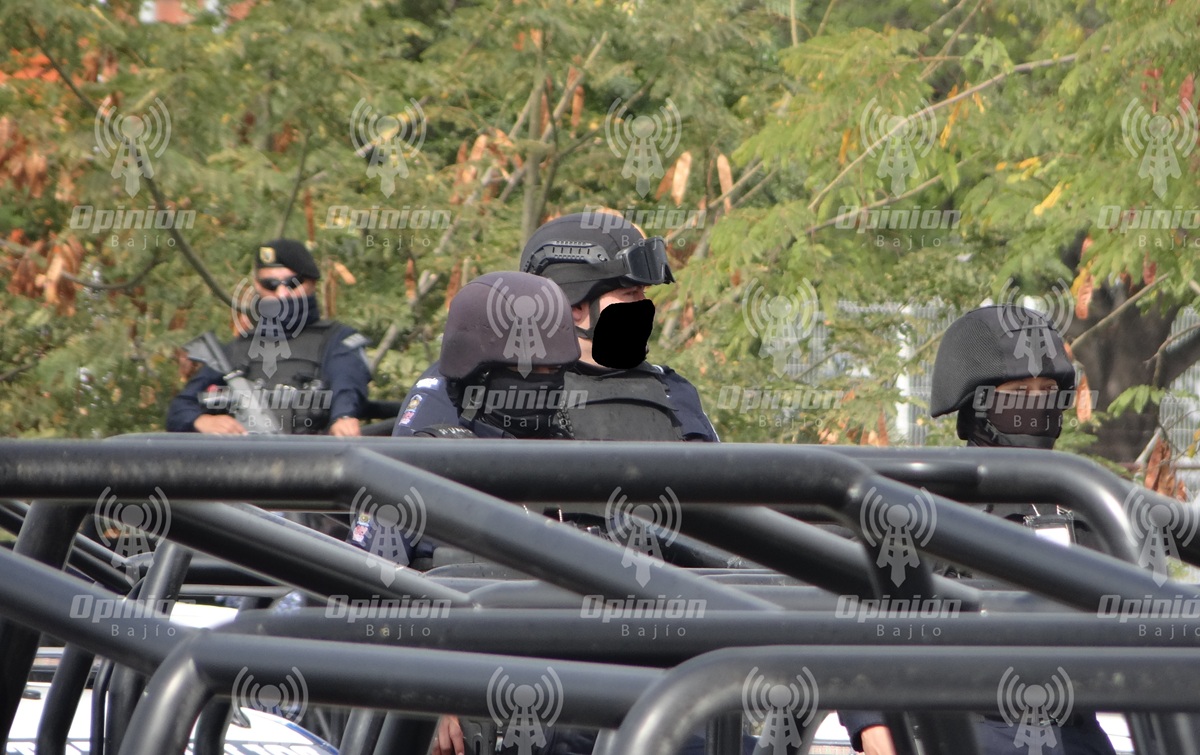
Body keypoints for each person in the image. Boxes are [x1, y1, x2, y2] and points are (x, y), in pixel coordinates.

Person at [839, 304, 1114, 755]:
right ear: (978, 401)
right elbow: (856, 611)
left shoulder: (1087, 504)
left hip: (1075, 733)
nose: (1037, 405)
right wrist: (872, 724)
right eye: (1020, 391)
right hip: (968, 730)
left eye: (1048, 391)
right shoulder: (927, 508)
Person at [392, 211, 718, 441]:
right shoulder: (474, 381)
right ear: (574, 306)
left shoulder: (672, 389)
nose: (644, 306)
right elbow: (407, 495)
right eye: (630, 294)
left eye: (644, 293)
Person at [166, 239, 371, 436]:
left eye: (292, 283)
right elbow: (180, 408)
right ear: (257, 285)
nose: (282, 294)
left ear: (312, 282)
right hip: (247, 457)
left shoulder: (337, 341)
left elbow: (347, 385)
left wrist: (344, 417)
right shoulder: (236, 350)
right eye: (270, 284)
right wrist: (201, 421)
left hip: (314, 456)